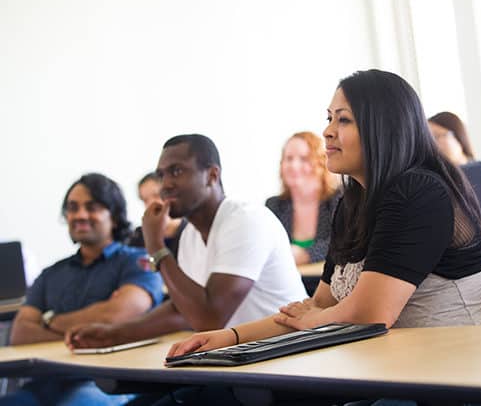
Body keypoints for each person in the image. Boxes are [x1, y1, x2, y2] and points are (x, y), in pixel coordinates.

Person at [167, 69, 481, 363]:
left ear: (384, 127)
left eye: (344, 119)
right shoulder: (353, 204)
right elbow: (319, 304)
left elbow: (371, 313)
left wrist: (314, 320)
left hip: (479, 372)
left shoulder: (418, 191)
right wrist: (230, 337)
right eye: (329, 118)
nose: (327, 131)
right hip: (415, 370)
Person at [66, 134, 307, 350]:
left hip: (284, 361)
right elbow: (182, 311)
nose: (166, 184)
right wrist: (114, 334)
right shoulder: (191, 233)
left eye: (177, 171)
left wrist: (156, 246)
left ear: (212, 175)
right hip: (240, 363)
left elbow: (210, 318)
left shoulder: (245, 220)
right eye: (162, 175)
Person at [3, 173, 163, 406]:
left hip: (109, 383)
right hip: (48, 382)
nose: (79, 215)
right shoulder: (51, 274)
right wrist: (93, 329)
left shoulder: (138, 262)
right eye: (72, 208)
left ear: (115, 217)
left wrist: (49, 319)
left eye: (92, 207)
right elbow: (21, 333)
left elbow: (117, 314)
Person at [265, 131, 340, 265]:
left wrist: (306, 255)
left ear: (321, 163)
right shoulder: (274, 205)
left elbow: (342, 244)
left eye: (304, 158)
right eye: (288, 158)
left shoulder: (338, 200)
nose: (294, 166)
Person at [429, 111, 481, 232]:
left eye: (436, 136)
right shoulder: (434, 180)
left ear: (457, 136)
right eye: (429, 138)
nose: (433, 144)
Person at [128, 171, 186, 258]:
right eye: (145, 200)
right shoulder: (139, 236)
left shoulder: (193, 231)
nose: (151, 204)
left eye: (157, 195)